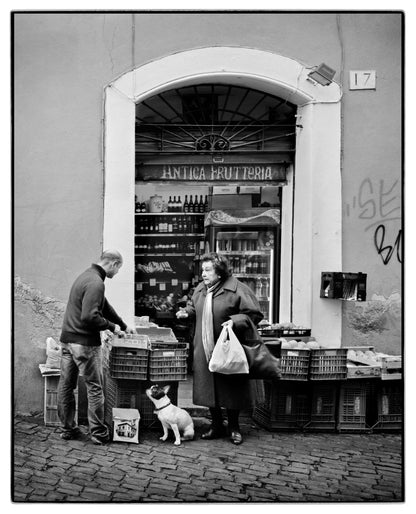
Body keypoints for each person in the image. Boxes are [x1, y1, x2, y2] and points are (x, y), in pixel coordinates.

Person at [176, 252, 263, 445]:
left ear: (220, 272)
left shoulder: (238, 289)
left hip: (228, 347)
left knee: (231, 387)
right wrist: (186, 313)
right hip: (204, 346)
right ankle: (216, 424)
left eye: (208, 270)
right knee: (209, 387)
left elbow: (254, 314)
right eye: (202, 270)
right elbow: (194, 306)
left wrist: (234, 321)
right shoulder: (201, 288)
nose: (203, 274)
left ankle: (234, 427)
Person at [57, 249, 135, 445]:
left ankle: (67, 429)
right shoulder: (96, 283)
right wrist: (112, 327)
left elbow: (105, 308)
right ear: (114, 264)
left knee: (66, 386)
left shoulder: (86, 276)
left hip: (67, 340)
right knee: (95, 388)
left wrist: (123, 325)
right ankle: (98, 433)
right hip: (84, 344)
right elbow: (90, 316)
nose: (117, 273)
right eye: (118, 269)